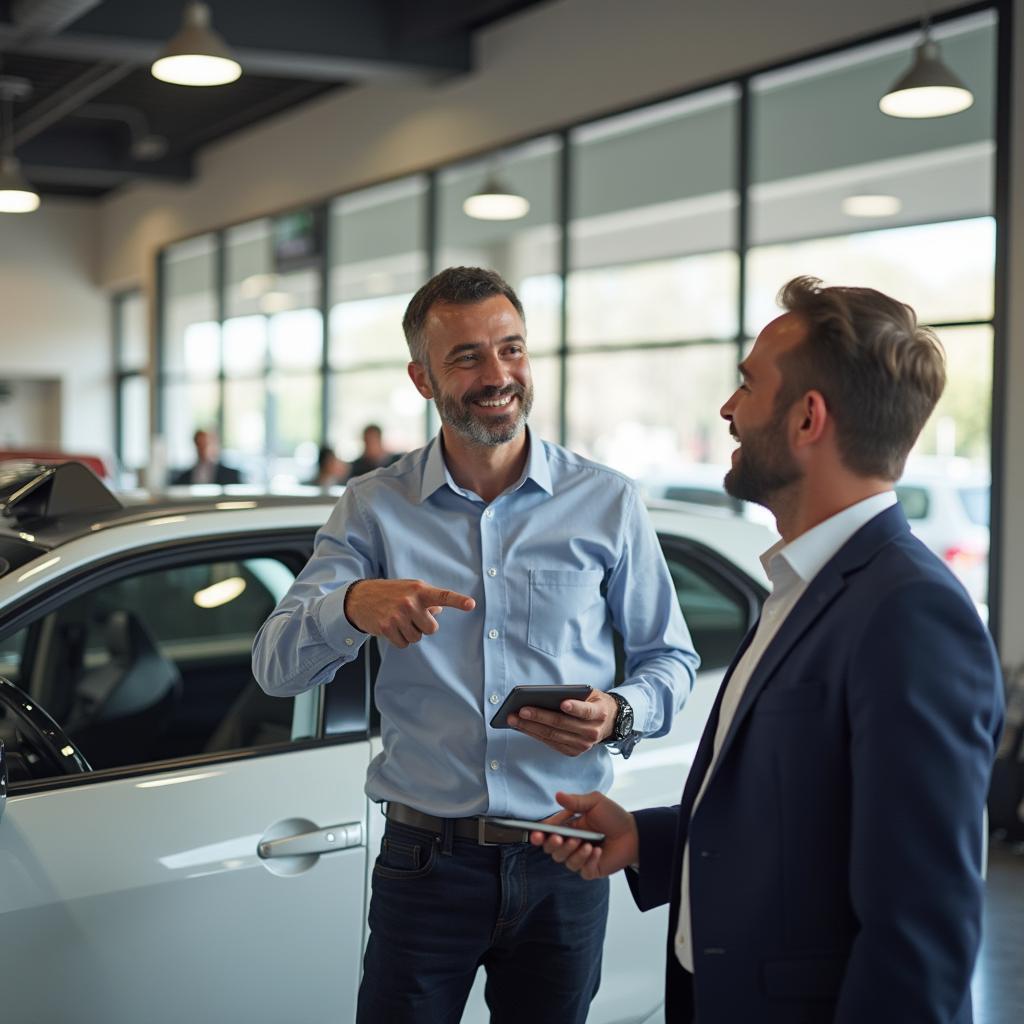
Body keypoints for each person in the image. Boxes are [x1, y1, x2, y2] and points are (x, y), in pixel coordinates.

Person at [531, 276, 1005, 1024]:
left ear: (807, 418)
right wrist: (645, 839)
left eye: (748, 385)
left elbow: (920, 929)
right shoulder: (802, 582)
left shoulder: (911, 613)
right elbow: (803, 819)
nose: (728, 408)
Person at [252, 265, 698, 1024]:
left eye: (512, 349)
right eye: (466, 357)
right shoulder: (372, 508)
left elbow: (671, 661)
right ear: (422, 378)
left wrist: (620, 711)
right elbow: (276, 668)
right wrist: (353, 605)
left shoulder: (608, 501)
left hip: (567, 854)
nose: (498, 376)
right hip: (425, 864)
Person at [170, 429, 241, 485]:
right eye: (199, 445)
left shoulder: (230, 475)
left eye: (206, 444)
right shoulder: (184, 477)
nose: (203, 449)